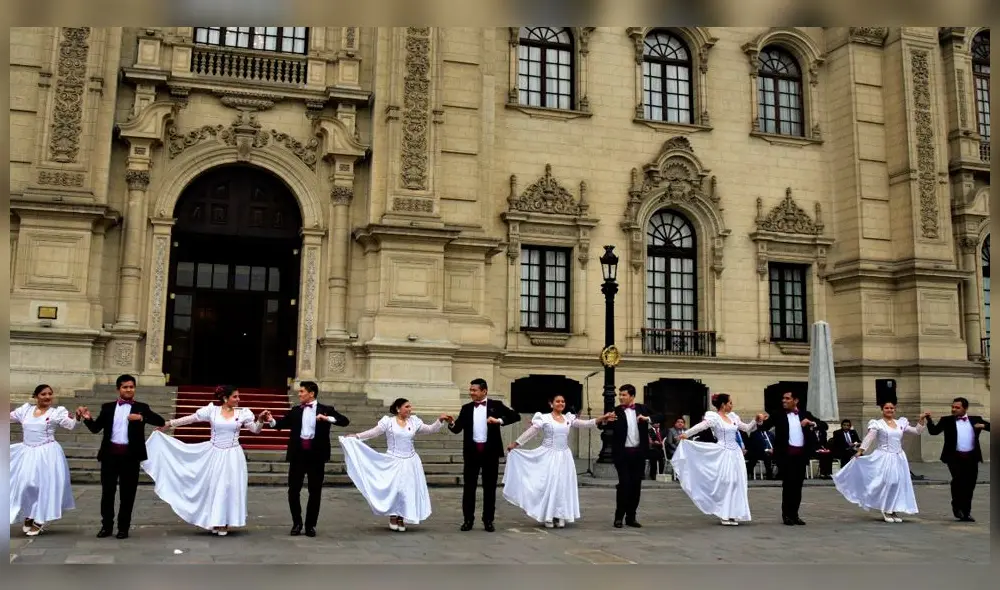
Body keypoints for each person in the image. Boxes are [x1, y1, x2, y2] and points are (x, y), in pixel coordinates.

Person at [143, 385, 269, 536]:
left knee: (230, 487)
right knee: (216, 487)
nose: (238, 399)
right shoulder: (212, 411)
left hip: (233, 455)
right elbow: (191, 419)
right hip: (214, 453)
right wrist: (168, 424)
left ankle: (225, 522)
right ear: (225, 398)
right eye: (235, 396)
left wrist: (260, 420)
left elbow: (255, 429)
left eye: (238, 396)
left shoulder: (243, 413)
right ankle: (216, 520)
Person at [502, 394, 615, 528]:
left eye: (563, 401)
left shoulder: (568, 418)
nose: (560, 403)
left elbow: (587, 424)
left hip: (564, 456)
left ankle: (561, 514)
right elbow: (531, 432)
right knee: (550, 485)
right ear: (551, 404)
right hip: (548, 454)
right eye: (557, 401)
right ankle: (548, 515)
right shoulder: (544, 418)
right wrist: (516, 444)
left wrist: (603, 417)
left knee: (563, 485)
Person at [340, 398, 453, 532]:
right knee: (395, 489)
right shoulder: (388, 422)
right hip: (393, 460)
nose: (410, 409)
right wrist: (357, 436)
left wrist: (439, 420)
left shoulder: (414, 421)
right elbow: (374, 432)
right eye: (407, 406)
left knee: (407, 489)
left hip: (411, 461)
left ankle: (402, 516)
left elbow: (429, 429)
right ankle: (393, 516)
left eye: (410, 406)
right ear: (398, 409)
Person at [77, 374, 166, 539]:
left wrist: (141, 418)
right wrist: (88, 418)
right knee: (107, 493)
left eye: (131, 387)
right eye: (125, 387)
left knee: (128, 494)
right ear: (118, 389)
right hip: (110, 456)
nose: (128, 390)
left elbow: (160, 421)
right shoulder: (108, 407)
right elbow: (96, 428)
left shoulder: (142, 407)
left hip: (130, 457)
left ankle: (123, 528)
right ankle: (106, 527)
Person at [263, 380, 350, 537]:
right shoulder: (295, 410)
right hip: (298, 455)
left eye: (302, 391)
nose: (299, 393)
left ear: (312, 393)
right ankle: (297, 523)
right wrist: (271, 420)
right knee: (293, 490)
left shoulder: (326, 409)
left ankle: (310, 525)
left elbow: (344, 421)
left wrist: (327, 418)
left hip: (317, 455)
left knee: (314, 491)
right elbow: (281, 423)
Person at [672, 393, 763, 526]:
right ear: (723, 405)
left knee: (737, 482)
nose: (732, 405)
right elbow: (701, 426)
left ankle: (734, 513)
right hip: (723, 452)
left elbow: (747, 428)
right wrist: (686, 434)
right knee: (726, 481)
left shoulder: (733, 417)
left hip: (735, 454)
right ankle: (724, 513)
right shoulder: (714, 417)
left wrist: (756, 420)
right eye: (730, 403)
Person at [832, 400, 926, 523]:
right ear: (882, 410)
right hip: (884, 456)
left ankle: (893, 509)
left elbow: (916, 431)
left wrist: (921, 419)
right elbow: (869, 437)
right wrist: (860, 451)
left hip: (898, 457)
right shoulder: (877, 424)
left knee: (898, 483)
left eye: (892, 408)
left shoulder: (900, 423)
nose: (889, 410)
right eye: (887, 408)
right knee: (888, 482)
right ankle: (886, 509)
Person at [447, 378, 521, 532]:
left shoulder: (496, 405)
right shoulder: (466, 408)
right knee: (469, 488)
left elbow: (515, 416)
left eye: (474, 390)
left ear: (484, 391)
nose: (471, 393)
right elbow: (457, 429)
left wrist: (499, 420)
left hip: (490, 453)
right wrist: (451, 422)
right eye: (471, 390)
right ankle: (468, 520)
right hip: (471, 453)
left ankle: (488, 520)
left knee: (490, 488)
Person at [9, 384, 78, 536]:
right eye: (43, 394)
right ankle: (29, 514)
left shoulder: (56, 413)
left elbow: (70, 424)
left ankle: (39, 519)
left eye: (50, 394)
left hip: (47, 453)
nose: (47, 397)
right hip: (27, 452)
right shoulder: (25, 410)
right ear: (35, 396)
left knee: (43, 486)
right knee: (27, 483)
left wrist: (78, 417)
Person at [756, 390, 827, 526]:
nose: (784, 401)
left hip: (801, 455)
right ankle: (786, 515)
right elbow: (764, 427)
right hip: (786, 455)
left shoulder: (805, 414)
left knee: (798, 486)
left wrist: (811, 423)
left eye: (787, 398)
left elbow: (824, 425)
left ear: (795, 400)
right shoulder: (778, 414)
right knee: (788, 485)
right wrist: (759, 420)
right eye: (783, 398)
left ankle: (795, 514)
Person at [924, 397, 990, 522]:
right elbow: (933, 432)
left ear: (965, 408)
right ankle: (957, 507)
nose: (954, 409)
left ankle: (966, 512)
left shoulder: (975, 419)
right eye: (953, 407)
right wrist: (928, 419)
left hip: (971, 457)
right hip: (954, 457)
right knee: (958, 481)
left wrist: (983, 425)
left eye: (957, 407)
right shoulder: (946, 420)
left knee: (970, 485)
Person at [609, 384, 663, 528]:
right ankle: (619, 516)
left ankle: (631, 517)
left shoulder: (642, 408)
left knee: (636, 486)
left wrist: (647, 419)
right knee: (624, 484)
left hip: (639, 454)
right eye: (620, 395)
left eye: (624, 395)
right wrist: (605, 421)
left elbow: (661, 416)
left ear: (632, 396)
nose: (621, 397)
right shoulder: (616, 411)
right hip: (622, 454)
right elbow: (604, 426)